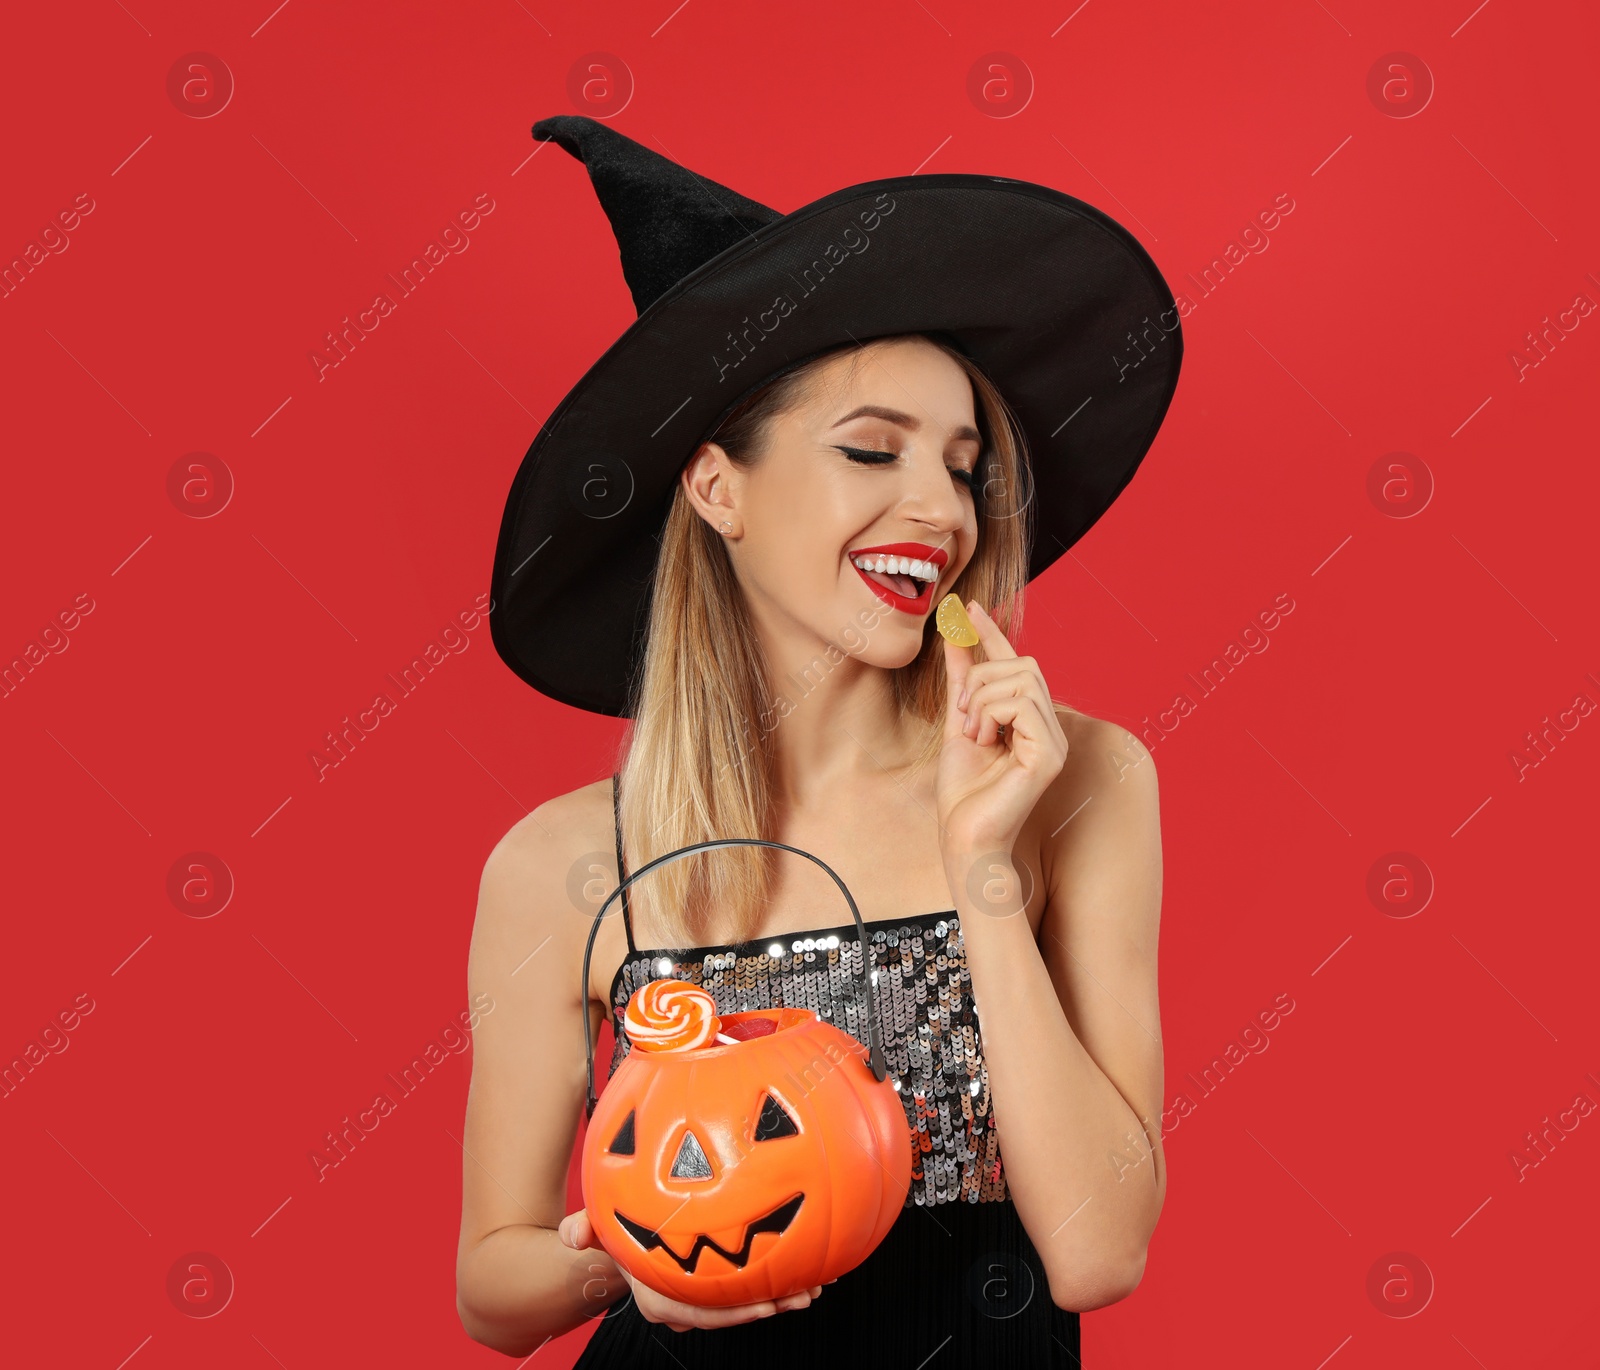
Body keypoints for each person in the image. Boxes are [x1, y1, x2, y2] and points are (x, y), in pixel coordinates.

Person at [456, 116, 1183, 1368]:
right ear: (715, 487)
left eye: (963, 468)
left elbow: (1096, 1250)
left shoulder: (1078, 782)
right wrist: (638, 1253)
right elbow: (492, 1284)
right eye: (868, 450)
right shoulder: (567, 858)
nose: (939, 510)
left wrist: (983, 865)